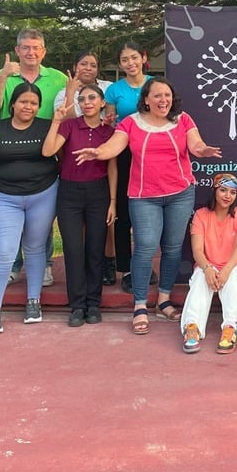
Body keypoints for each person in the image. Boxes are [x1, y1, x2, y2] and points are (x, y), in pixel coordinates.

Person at [73, 76, 221, 335]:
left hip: (180, 193)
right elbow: (113, 146)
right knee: (145, 248)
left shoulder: (183, 119)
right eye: (157, 96)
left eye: (167, 95)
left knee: (173, 248)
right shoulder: (131, 123)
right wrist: (98, 152)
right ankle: (140, 305)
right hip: (144, 197)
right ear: (146, 100)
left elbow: (195, 144)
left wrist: (202, 149)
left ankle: (163, 300)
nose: (163, 100)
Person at [0, 82, 59, 334]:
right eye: (23, 101)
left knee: (35, 248)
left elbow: (59, 157)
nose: (28, 107)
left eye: (34, 103)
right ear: (13, 104)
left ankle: (33, 301)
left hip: (43, 194)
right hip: (4, 196)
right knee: (4, 251)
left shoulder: (46, 126)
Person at [0, 28, 68, 286]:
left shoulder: (56, 78)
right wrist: (3, 76)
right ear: (18, 50)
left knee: (39, 220)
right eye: (26, 48)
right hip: (10, 148)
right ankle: (14, 264)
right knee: (10, 218)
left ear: (43, 51)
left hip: (45, 149)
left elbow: (68, 110)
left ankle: (43, 264)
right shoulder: (5, 75)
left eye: (36, 48)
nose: (31, 52)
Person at [43, 83, 116, 327]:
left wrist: (113, 201)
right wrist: (56, 121)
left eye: (92, 98)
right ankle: (77, 305)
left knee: (95, 249)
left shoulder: (109, 131)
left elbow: (113, 167)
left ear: (102, 102)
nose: (87, 102)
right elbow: (48, 151)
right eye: (82, 98)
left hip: (99, 192)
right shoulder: (69, 126)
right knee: (74, 250)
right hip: (69, 193)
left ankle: (93, 303)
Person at [180, 173, 237, 354]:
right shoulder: (201, 214)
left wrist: (226, 270)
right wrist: (207, 269)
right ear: (214, 191)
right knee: (199, 279)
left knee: (232, 278)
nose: (228, 196)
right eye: (223, 190)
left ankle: (231, 327)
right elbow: (197, 250)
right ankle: (192, 327)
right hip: (208, 265)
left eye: (232, 192)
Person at [103, 40, 152, 291]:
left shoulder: (155, 84)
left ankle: (146, 264)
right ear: (120, 64)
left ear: (143, 57)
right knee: (123, 209)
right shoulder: (113, 90)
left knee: (149, 211)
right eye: (125, 60)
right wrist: (109, 121)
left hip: (152, 153)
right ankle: (127, 268)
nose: (130, 63)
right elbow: (110, 123)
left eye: (134, 57)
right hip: (124, 153)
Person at [53, 50, 113, 116]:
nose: (88, 68)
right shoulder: (63, 93)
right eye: (83, 64)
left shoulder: (109, 87)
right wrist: (70, 93)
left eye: (93, 66)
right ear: (74, 67)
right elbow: (65, 121)